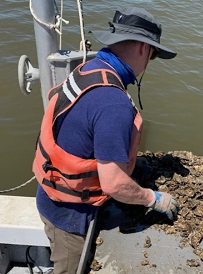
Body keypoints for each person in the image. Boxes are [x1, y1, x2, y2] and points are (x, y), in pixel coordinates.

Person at [32, 7, 179, 273]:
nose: (150, 61)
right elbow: (112, 184)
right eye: (154, 54)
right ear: (143, 49)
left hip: (50, 187)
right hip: (68, 216)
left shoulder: (90, 69)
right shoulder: (113, 103)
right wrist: (153, 198)